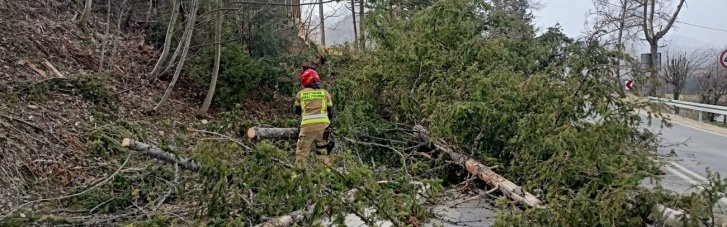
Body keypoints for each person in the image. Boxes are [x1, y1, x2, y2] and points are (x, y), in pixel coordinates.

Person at [294, 66, 334, 168]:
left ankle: (297, 180)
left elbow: (297, 111)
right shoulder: (325, 93)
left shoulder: (301, 94)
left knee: (302, 154)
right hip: (323, 129)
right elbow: (331, 113)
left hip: (307, 129)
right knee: (323, 153)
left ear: (304, 81)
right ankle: (327, 179)